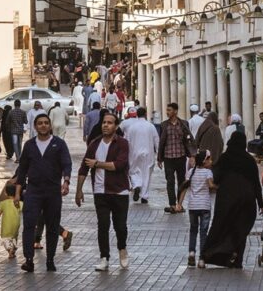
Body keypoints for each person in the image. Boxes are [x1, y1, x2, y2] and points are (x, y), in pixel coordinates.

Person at [15, 112, 72, 273]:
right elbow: (22, 170)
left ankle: (50, 260)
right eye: (40, 123)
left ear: (50, 125)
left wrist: (66, 182)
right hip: (33, 191)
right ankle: (28, 259)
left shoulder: (59, 144)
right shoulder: (29, 145)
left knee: (52, 226)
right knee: (29, 224)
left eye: (46, 123)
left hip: (53, 191)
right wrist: (18, 192)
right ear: (35, 126)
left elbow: (67, 164)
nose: (43, 125)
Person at [76, 110, 131, 272]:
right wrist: (78, 191)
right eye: (104, 123)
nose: (106, 125)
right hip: (100, 192)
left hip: (119, 191)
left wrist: (98, 164)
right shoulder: (94, 143)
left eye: (110, 123)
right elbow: (84, 168)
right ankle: (104, 257)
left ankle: (122, 248)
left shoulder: (122, 143)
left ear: (116, 126)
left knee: (120, 226)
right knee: (103, 225)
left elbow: (118, 165)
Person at [201, 132, 263, 268]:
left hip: (227, 198)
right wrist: (261, 202)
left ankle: (210, 255)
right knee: (241, 228)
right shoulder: (249, 160)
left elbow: (216, 177)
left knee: (222, 225)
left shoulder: (225, 158)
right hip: (247, 198)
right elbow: (255, 182)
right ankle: (238, 259)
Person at [157, 102, 196, 214]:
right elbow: (161, 143)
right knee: (170, 181)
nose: (167, 112)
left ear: (175, 111)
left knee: (181, 181)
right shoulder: (164, 125)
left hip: (181, 156)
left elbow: (188, 140)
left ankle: (180, 204)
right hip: (168, 157)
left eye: (169, 110)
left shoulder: (183, 124)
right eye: (167, 110)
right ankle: (172, 205)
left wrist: (192, 155)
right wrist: (159, 158)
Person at [179, 149, 215, 268]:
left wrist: (179, 203)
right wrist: (219, 187)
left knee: (193, 230)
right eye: (209, 159)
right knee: (203, 232)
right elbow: (210, 186)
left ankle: (191, 252)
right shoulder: (208, 173)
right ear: (204, 161)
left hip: (193, 206)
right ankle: (202, 259)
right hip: (204, 206)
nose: (211, 161)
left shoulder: (190, 172)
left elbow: (184, 188)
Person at [120, 106, 158, 204]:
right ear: (145, 114)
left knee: (133, 171)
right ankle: (144, 196)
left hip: (134, 153)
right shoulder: (150, 126)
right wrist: (159, 154)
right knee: (146, 174)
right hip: (148, 154)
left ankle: (136, 185)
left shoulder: (132, 127)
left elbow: (126, 140)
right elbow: (156, 140)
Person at [0, 181, 22, 259]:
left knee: (6, 239)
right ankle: (13, 249)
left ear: (5, 193)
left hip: (6, 226)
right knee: (14, 238)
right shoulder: (19, 203)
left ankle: (10, 251)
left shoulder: (3, 203)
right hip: (16, 225)